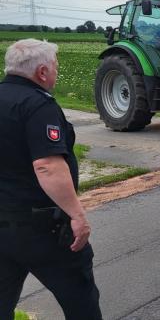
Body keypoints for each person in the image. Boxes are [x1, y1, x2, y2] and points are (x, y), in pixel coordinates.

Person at [0, 39, 102, 320]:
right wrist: (77, 215)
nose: (57, 72)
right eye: (56, 67)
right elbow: (46, 165)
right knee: (81, 301)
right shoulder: (37, 105)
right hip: (42, 229)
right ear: (42, 72)